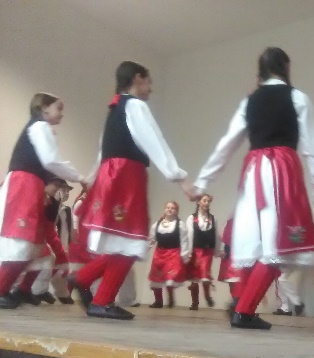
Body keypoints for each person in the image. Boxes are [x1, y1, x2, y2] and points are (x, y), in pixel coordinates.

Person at [192, 47, 314, 330]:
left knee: (258, 245)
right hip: (281, 170)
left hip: (253, 171)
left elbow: (227, 143)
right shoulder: (297, 97)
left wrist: (203, 181)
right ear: (286, 67)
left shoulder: (249, 101)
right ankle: (244, 309)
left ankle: (243, 305)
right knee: (280, 247)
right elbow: (312, 149)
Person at [69, 61, 192, 320]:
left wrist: (92, 179)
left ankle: (83, 278)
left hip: (110, 176)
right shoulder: (135, 105)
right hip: (126, 177)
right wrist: (179, 177)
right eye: (148, 82)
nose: (151, 89)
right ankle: (102, 300)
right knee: (131, 241)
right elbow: (154, 141)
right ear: (137, 78)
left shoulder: (115, 109)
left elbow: (102, 151)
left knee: (121, 241)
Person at [0, 93, 84, 309]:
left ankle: (18, 290)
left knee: (35, 248)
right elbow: (51, 160)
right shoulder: (39, 126)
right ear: (44, 108)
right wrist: (81, 177)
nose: (62, 113)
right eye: (59, 108)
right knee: (21, 243)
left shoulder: (40, 129)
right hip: (24, 185)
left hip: (31, 186)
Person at [11, 177, 70, 305]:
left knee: (45, 258)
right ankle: (15, 290)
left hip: (36, 232)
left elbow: (48, 226)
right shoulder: (36, 194)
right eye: (59, 186)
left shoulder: (50, 200)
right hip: (21, 230)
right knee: (18, 260)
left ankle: (26, 290)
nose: (62, 191)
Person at [148, 201, 189, 308]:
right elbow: (151, 239)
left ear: (176, 211)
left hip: (173, 253)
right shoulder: (157, 225)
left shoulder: (180, 225)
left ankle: (171, 299)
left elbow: (184, 241)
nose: (170, 209)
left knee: (170, 278)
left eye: (172, 208)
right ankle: (158, 301)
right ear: (164, 209)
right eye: (168, 207)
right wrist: (144, 250)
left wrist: (184, 255)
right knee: (156, 278)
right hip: (159, 254)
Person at [186, 194, 218, 310]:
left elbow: (216, 236)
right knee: (195, 275)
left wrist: (217, 250)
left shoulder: (213, 218)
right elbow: (189, 235)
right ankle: (195, 302)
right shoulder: (192, 218)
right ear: (198, 202)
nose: (206, 203)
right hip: (195, 250)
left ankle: (207, 296)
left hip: (208, 251)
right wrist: (189, 251)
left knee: (205, 273)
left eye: (208, 201)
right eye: (204, 200)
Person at [217, 217, 242, 311]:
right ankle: (235, 302)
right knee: (232, 280)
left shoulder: (249, 221)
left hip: (242, 254)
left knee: (241, 280)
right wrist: (222, 249)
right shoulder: (229, 223)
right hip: (230, 255)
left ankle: (238, 303)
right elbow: (223, 238)